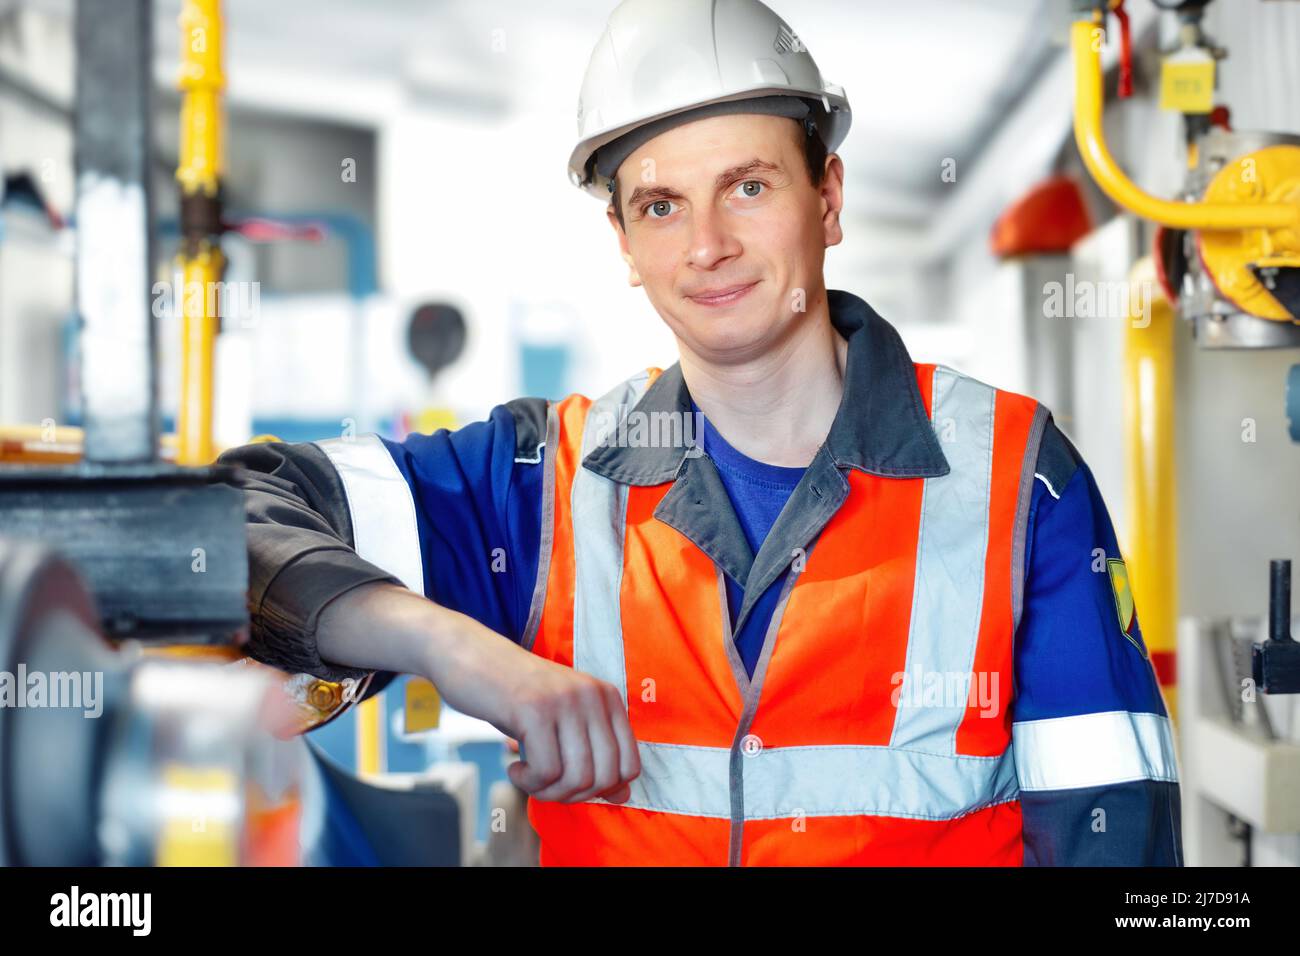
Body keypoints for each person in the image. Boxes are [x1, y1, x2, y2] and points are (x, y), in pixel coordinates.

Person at [219, 0, 1181, 865]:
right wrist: (459, 652)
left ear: (830, 198)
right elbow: (229, 518)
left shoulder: (1017, 479)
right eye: (662, 206)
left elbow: (1116, 840)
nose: (707, 244)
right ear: (625, 246)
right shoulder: (540, 483)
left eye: (749, 187)